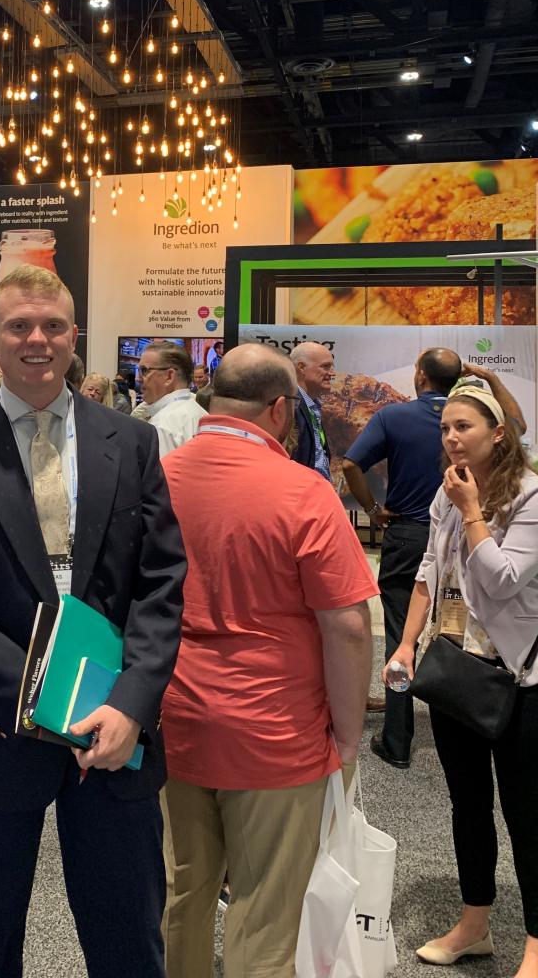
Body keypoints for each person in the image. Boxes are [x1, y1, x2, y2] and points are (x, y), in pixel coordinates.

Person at [0, 264, 186, 978]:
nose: (38, 339)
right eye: (20, 326)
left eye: (53, 325)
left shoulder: (132, 442)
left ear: (74, 335)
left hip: (114, 731)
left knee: (129, 940)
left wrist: (130, 705)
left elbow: (161, 585)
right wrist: (44, 703)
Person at [160, 344, 376, 978]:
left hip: (174, 715)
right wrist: (347, 737)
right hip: (275, 731)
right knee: (267, 914)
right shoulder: (303, 491)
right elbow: (347, 625)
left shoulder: (160, 477)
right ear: (280, 409)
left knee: (183, 890)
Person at [384, 380, 538, 974]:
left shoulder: (527, 495)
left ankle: (535, 942)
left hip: (517, 678)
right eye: (445, 428)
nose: (450, 437)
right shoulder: (447, 491)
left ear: (498, 434)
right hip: (455, 668)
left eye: (464, 427)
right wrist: (405, 644)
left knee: (525, 812)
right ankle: (475, 924)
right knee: (467, 805)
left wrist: (473, 511)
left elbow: (501, 580)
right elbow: (428, 570)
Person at [342, 347, 462, 768]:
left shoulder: (393, 416)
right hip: (463, 537)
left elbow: (351, 464)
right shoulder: (471, 420)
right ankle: (465, 730)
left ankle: (397, 741)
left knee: (399, 633)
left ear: (421, 376)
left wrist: (373, 510)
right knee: (458, 633)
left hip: (408, 536)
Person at [137, 340, 207, 457]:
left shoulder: (163, 425)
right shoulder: (201, 413)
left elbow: (161, 469)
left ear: (169, 376)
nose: (138, 378)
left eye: (144, 370)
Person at [289, 341, 335, 482]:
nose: (332, 373)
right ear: (301, 367)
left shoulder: (314, 406)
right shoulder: (289, 406)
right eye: (325, 366)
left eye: (332, 367)